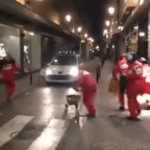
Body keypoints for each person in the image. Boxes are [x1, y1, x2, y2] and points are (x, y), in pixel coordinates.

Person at [126, 52, 145, 120]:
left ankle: (133, 115)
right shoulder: (137, 65)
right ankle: (137, 109)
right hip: (137, 83)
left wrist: (128, 76)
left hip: (134, 84)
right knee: (133, 98)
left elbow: (135, 75)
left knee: (131, 99)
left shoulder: (134, 65)